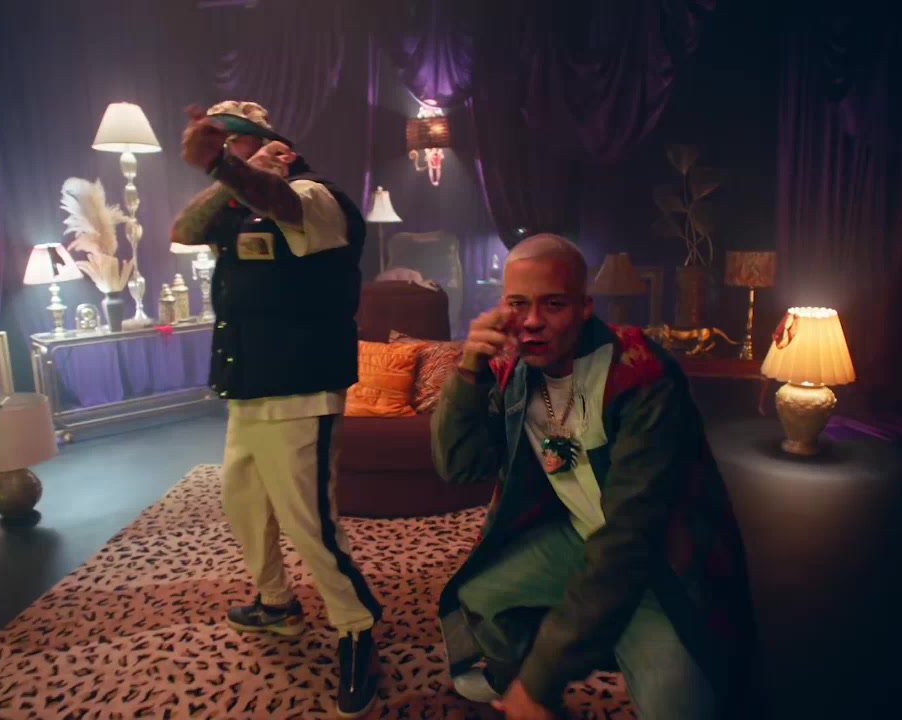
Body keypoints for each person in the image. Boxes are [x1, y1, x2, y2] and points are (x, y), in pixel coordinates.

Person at [431, 234, 758, 719]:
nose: (532, 321)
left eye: (553, 304)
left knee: (680, 708)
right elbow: (460, 466)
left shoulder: (640, 373)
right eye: (518, 304)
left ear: (585, 307)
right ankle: (520, 677)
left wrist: (541, 679)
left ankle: (559, 666)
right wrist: (468, 371)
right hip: (578, 538)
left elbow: (630, 536)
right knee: (479, 594)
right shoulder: (511, 370)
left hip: (661, 563)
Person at [173, 100, 381, 718]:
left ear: (275, 146)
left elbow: (284, 204)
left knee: (310, 523)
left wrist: (227, 168)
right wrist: (227, 177)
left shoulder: (318, 197)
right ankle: (276, 604)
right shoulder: (234, 204)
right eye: (218, 143)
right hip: (248, 384)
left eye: (232, 141)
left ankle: (356, 629)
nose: (223, 153)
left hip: (300, 387)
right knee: (244, 505)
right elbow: (184, 230)